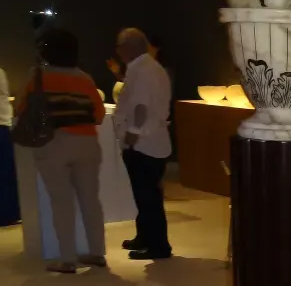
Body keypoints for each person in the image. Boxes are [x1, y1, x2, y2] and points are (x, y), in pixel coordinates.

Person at [14, 29, 106, 272]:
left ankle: (67, 259)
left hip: (53, 144)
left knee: (61, 201)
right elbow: (99, 115)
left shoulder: (37, 77)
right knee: (91, 200)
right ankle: (97, 253)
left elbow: (21, 109)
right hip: (87, 143)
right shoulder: (85, 79)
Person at [114, 27, 172, 260]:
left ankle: (158, 246)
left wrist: (133, 132)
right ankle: (146, 237)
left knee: (148, 196)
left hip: (144, 144)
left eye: (119, 46)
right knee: (145, 194)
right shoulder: (148, 67)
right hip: (150, 141)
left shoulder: (143, 70)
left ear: (128, 48)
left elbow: (140, 105)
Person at [0, 64, 20, 226]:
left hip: (2, 125)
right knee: (6, 172)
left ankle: (7, 214)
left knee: (4, 172)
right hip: (4, 125)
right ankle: (10, 213)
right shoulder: (1, 72)